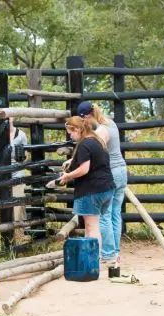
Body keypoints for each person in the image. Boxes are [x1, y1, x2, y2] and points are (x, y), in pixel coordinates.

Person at [76, 101, 127, 264]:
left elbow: (95, 149)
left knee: (104, 214)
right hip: (121, 170)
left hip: (110, 172)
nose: (83, 124)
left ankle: (108, 253)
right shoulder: (110, 122)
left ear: (88, 116)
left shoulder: (102, 130)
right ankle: (115, 251)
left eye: (83, 120)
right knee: (115, 214)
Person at [57, 116, 115, 252]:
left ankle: (94, 259)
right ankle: (94, 257)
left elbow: (84, 169)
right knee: (96, 225)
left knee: (91, 227)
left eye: (70, 133)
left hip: (91, 190)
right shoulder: (96, 140)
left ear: (77, 129)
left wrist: (67, 176)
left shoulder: (84, 144)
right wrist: (72, 162)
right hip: (106, 188)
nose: (70, 136)